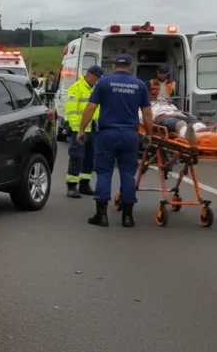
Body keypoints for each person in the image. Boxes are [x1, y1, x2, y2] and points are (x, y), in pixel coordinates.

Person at [76, 54, 153, 228]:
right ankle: (128, 217)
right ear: (131, 67)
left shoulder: (103, 83)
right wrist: (149, 134)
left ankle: (101, 216)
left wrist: (82, 129)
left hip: (107, 134)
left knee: (104, 173)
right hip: (129, 135)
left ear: (113, 65)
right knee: (127, 174)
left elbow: (90, 107)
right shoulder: (140, 85)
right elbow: (147, 113)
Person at [65, 65, 103, 198]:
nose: (97, 80)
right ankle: (72, 186)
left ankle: (84, 184)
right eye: (96, 77)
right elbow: (71, 110)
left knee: (89, 158)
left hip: (93, 128)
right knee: (76, 157)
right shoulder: (77, 88)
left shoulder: (95, 89)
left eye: (99, 78)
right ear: (89, 74)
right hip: (79, 129)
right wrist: (77, 128)